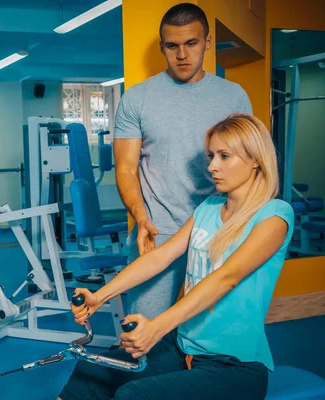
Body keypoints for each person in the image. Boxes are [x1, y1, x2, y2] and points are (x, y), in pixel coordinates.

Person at [57, 113, 294, 400]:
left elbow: (226, 278)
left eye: (224, 156)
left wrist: (156, 327)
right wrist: (100, 296)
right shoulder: (209, 208)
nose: (212, 166)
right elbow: (161, 257)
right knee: (89, 373)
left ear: (255, 158)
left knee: (133, 395)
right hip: (182, 345)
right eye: (211, 155)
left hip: (234, 364)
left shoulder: (275, 215)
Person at [114, 3, 253, 320]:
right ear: (162, 46)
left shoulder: (234, 97)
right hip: (157, 233)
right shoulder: (138, 98)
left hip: (219, 231)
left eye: (191, 43)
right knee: (143, 332)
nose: (182, 55)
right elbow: (125, 168)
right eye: (172, 46)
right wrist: (140, 216)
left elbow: (249, 164)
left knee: (210, 333)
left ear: (207, 42)